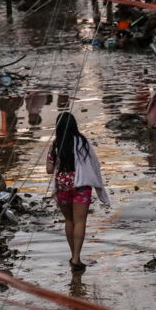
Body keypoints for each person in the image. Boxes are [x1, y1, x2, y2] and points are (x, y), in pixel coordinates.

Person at [46, 112, 110, 271]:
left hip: (63, 186)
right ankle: (76, 257)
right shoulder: (82, 142)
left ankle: (72, 254)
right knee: (80, 221)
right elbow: (93, 163)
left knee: (69, 221)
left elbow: (49, 169)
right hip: (81, 186)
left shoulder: (55, 145)